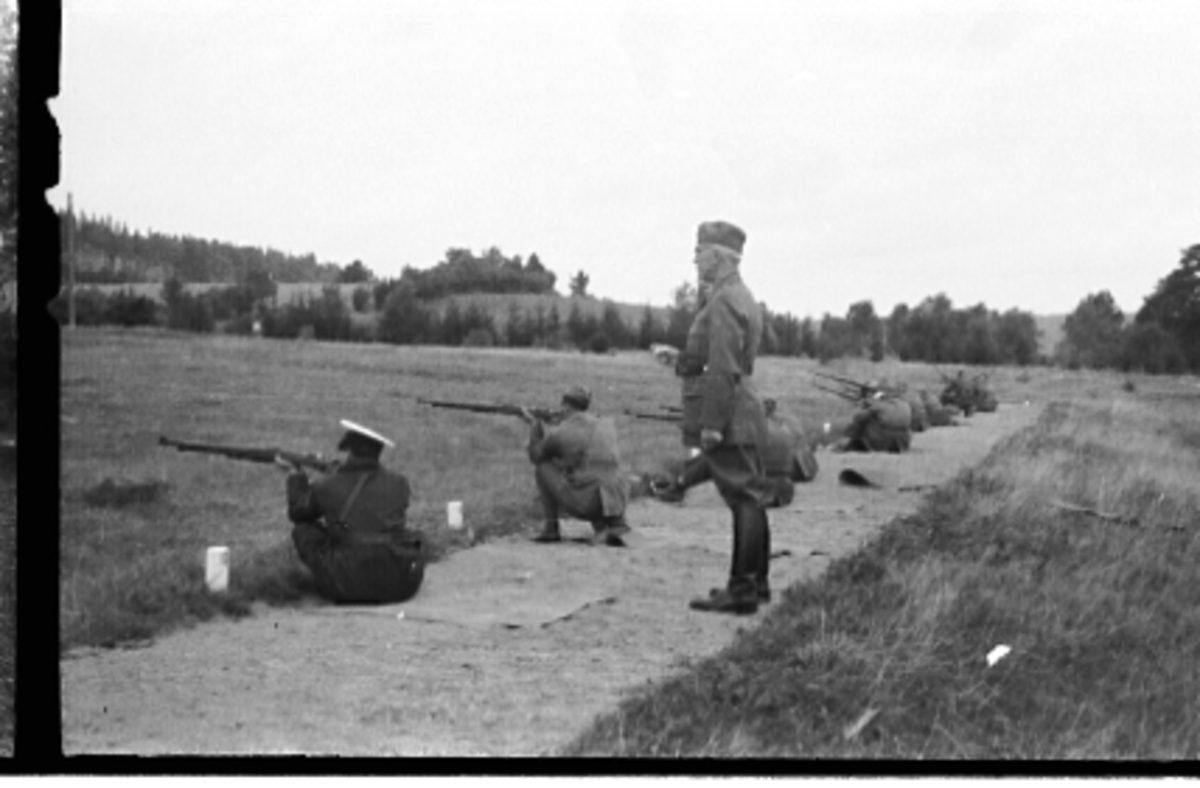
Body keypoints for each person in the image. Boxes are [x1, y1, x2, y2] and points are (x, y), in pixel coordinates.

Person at [677, 220, 773, 615]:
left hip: (730, 413)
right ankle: (757, 583)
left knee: (742, 498)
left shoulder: (724, 300)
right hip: (744, 408)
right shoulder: (741, 296)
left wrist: (712, 424)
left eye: (699, 252)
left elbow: (723, 365)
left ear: (717, 256)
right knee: (751, 496)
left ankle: (742, 589)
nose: (695, 260)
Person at [277, 420, 425, 604]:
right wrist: (333, 469)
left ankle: (330, 580)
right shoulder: (399, 482)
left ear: (348, 448)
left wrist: (295, 475)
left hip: (344, 587)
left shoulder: (327, 484)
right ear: (379, 450)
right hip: (399, 587)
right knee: (414, 536)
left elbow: (298, 513)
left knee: (303, 529)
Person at [522, 386, 631, 547]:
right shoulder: (605, 423)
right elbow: (582, 452)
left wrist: (535, 428)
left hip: (592, 501)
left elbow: (536, 456)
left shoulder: (562, 432)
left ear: (566, 406)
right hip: (618, 499)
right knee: (592, 474)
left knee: (543, 467)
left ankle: (551, 529)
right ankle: (614, 524)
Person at [834, 388, 912, 453]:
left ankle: (845, 445)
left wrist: (862, 407)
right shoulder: (904, 404)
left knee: (865, 421)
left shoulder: (878, 405)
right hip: (903, 444)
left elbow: (858, 417)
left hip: (881, 443)